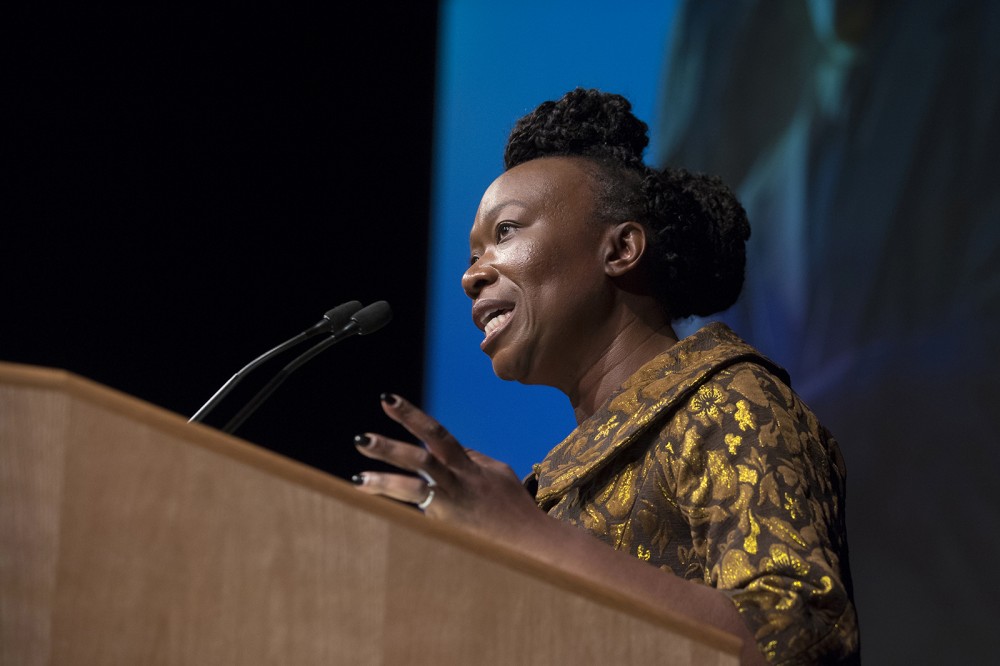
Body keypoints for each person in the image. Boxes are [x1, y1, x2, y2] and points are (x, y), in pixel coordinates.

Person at [350, 88, 859, 665]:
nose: (473, 276)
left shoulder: (728, 401)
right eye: (471, 256)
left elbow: (805, 636)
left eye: (506, 232)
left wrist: (532, 539)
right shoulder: (563, 480)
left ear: (620, 249)